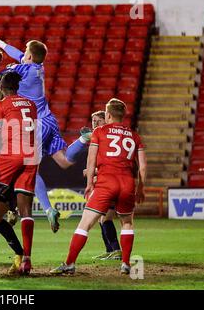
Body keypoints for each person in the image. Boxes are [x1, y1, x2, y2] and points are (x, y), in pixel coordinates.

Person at [0, 34, 91, 233]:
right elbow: (20, 56)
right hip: (49, 118)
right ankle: (84, 138)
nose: (22, 55)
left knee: (29, 167)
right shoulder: (37, 68)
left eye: (25, 52)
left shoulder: (22, 69)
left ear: (30, 57)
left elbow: (3, 74)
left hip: (36, 123)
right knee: (64, 160)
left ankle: (47, 209)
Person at [50, 98, 147, 275]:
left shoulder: (100, 131)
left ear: (108, 114)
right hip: (127, 182)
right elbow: (142, 165)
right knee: (127, 222)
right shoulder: (134, 135)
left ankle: (70, 264)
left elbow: (91, 159)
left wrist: (89, 185)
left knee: (85, 223)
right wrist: (140, 188)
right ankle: (125, 264)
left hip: (106, 182)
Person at [0, 72, 39, 275]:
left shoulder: (1, 105)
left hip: (11, 154)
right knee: (24, 211)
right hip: (32, 156)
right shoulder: (31, 104)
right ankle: (26, 259)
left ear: (1, 89)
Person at [88, 111, 122, 261]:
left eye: (98, 120)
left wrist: (92, 170)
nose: (95, 124)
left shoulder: (107, 140)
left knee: (105, 218)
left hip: (113, 183)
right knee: (102, 218)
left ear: (106, 120)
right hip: (104, 182)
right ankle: (110, 250)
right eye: (93, 121)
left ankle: (116, 250)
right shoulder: (100, 139)